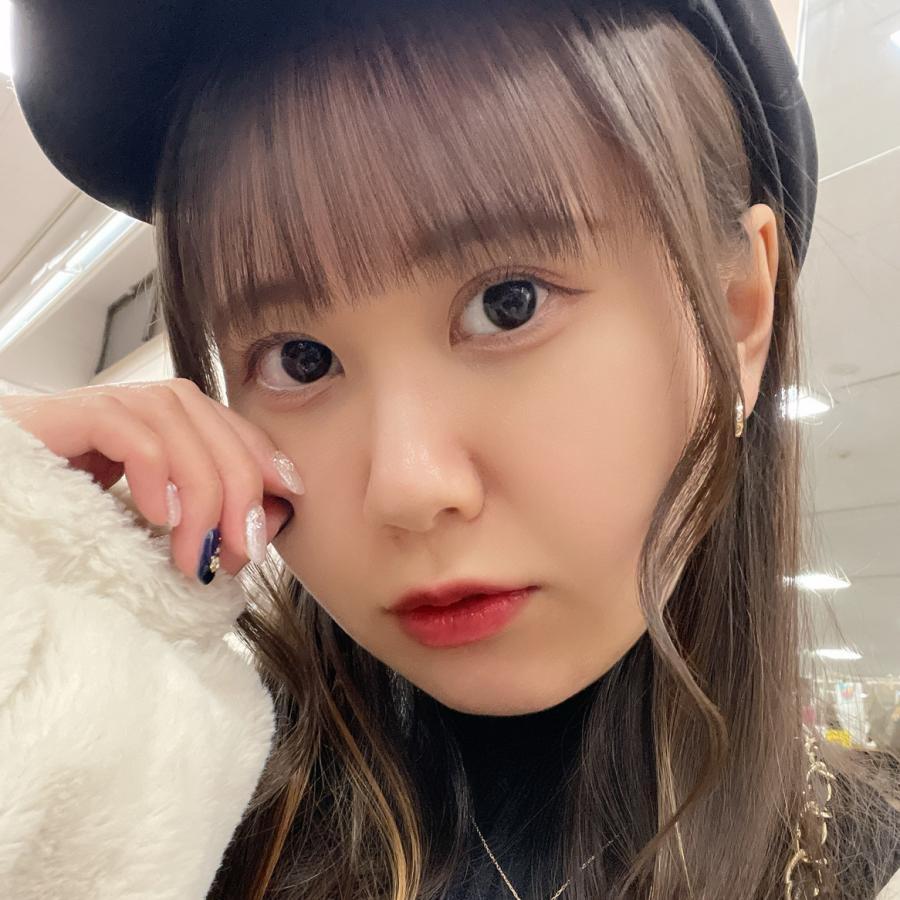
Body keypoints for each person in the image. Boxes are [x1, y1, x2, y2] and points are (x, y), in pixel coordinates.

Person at [1, 0, 898, 898]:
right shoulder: (169, 814)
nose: (407, 486)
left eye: (509, 304)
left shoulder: (866, 864)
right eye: (300, 359)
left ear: (738, 314)